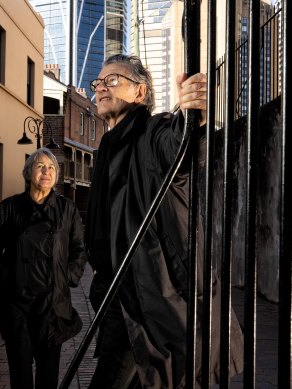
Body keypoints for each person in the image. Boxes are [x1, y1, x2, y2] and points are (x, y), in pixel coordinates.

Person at [85, 54, 244, 388]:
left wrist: (191, 115)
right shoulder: (106, 149)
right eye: (98, 82)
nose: (101, 87)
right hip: (117, 299)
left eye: (113, 80)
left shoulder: (151, 132)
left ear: (140, 93)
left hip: (155, 300)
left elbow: (181, 149)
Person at [0, 147, 87, 389]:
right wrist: (6, 277)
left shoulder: (67, 209)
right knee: (20, 373)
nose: (46, 172)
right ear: (29, 173)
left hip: (52, 304)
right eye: (40, 166)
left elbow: (80, 249)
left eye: (51, 168)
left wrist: (67, 277)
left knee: (48, 375)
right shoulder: (10, 207)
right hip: (17, 303)